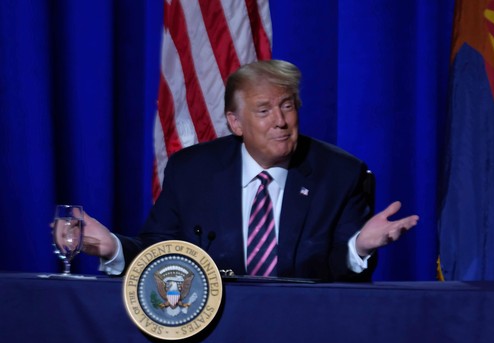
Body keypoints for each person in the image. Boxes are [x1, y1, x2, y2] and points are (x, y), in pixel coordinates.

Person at [75, 59, 419, 281]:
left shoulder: (341, 174)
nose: (281, 121)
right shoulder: (191, 170)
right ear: (235, 122)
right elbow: (162, 253)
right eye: (264, 110)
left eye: (288, 106)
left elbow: (337, 274)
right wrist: (114, 249)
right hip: (214, 334)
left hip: (304, 333)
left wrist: (358, 247)